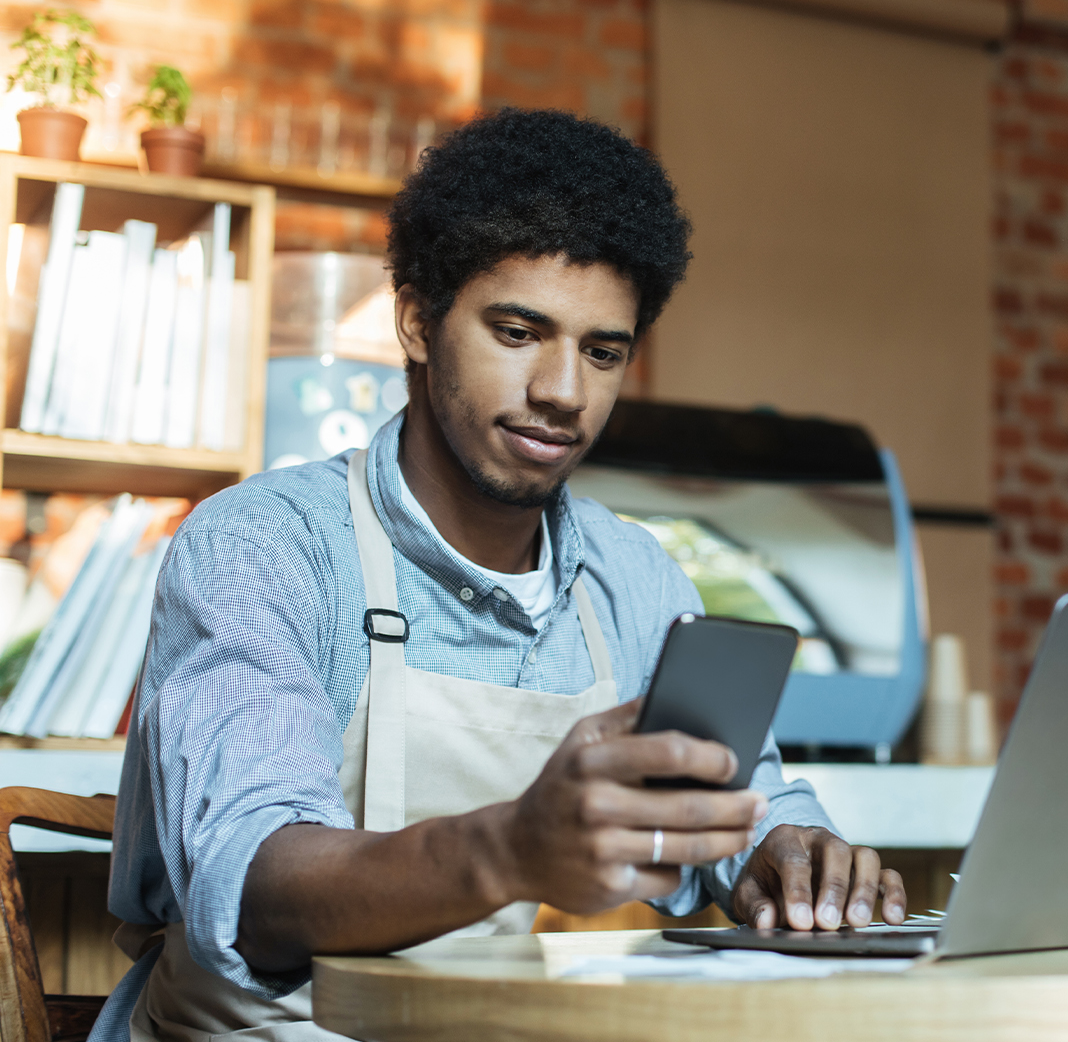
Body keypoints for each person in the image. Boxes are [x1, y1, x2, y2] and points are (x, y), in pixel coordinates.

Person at [91, 108, 907, 1042]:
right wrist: (507, 848)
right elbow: (259, 886)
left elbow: (738, 807)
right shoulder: (265, 546)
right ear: (416, 320)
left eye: (602, 351)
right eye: (519, 331)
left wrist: (786, 857)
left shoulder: (637, 580)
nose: (564, 391)